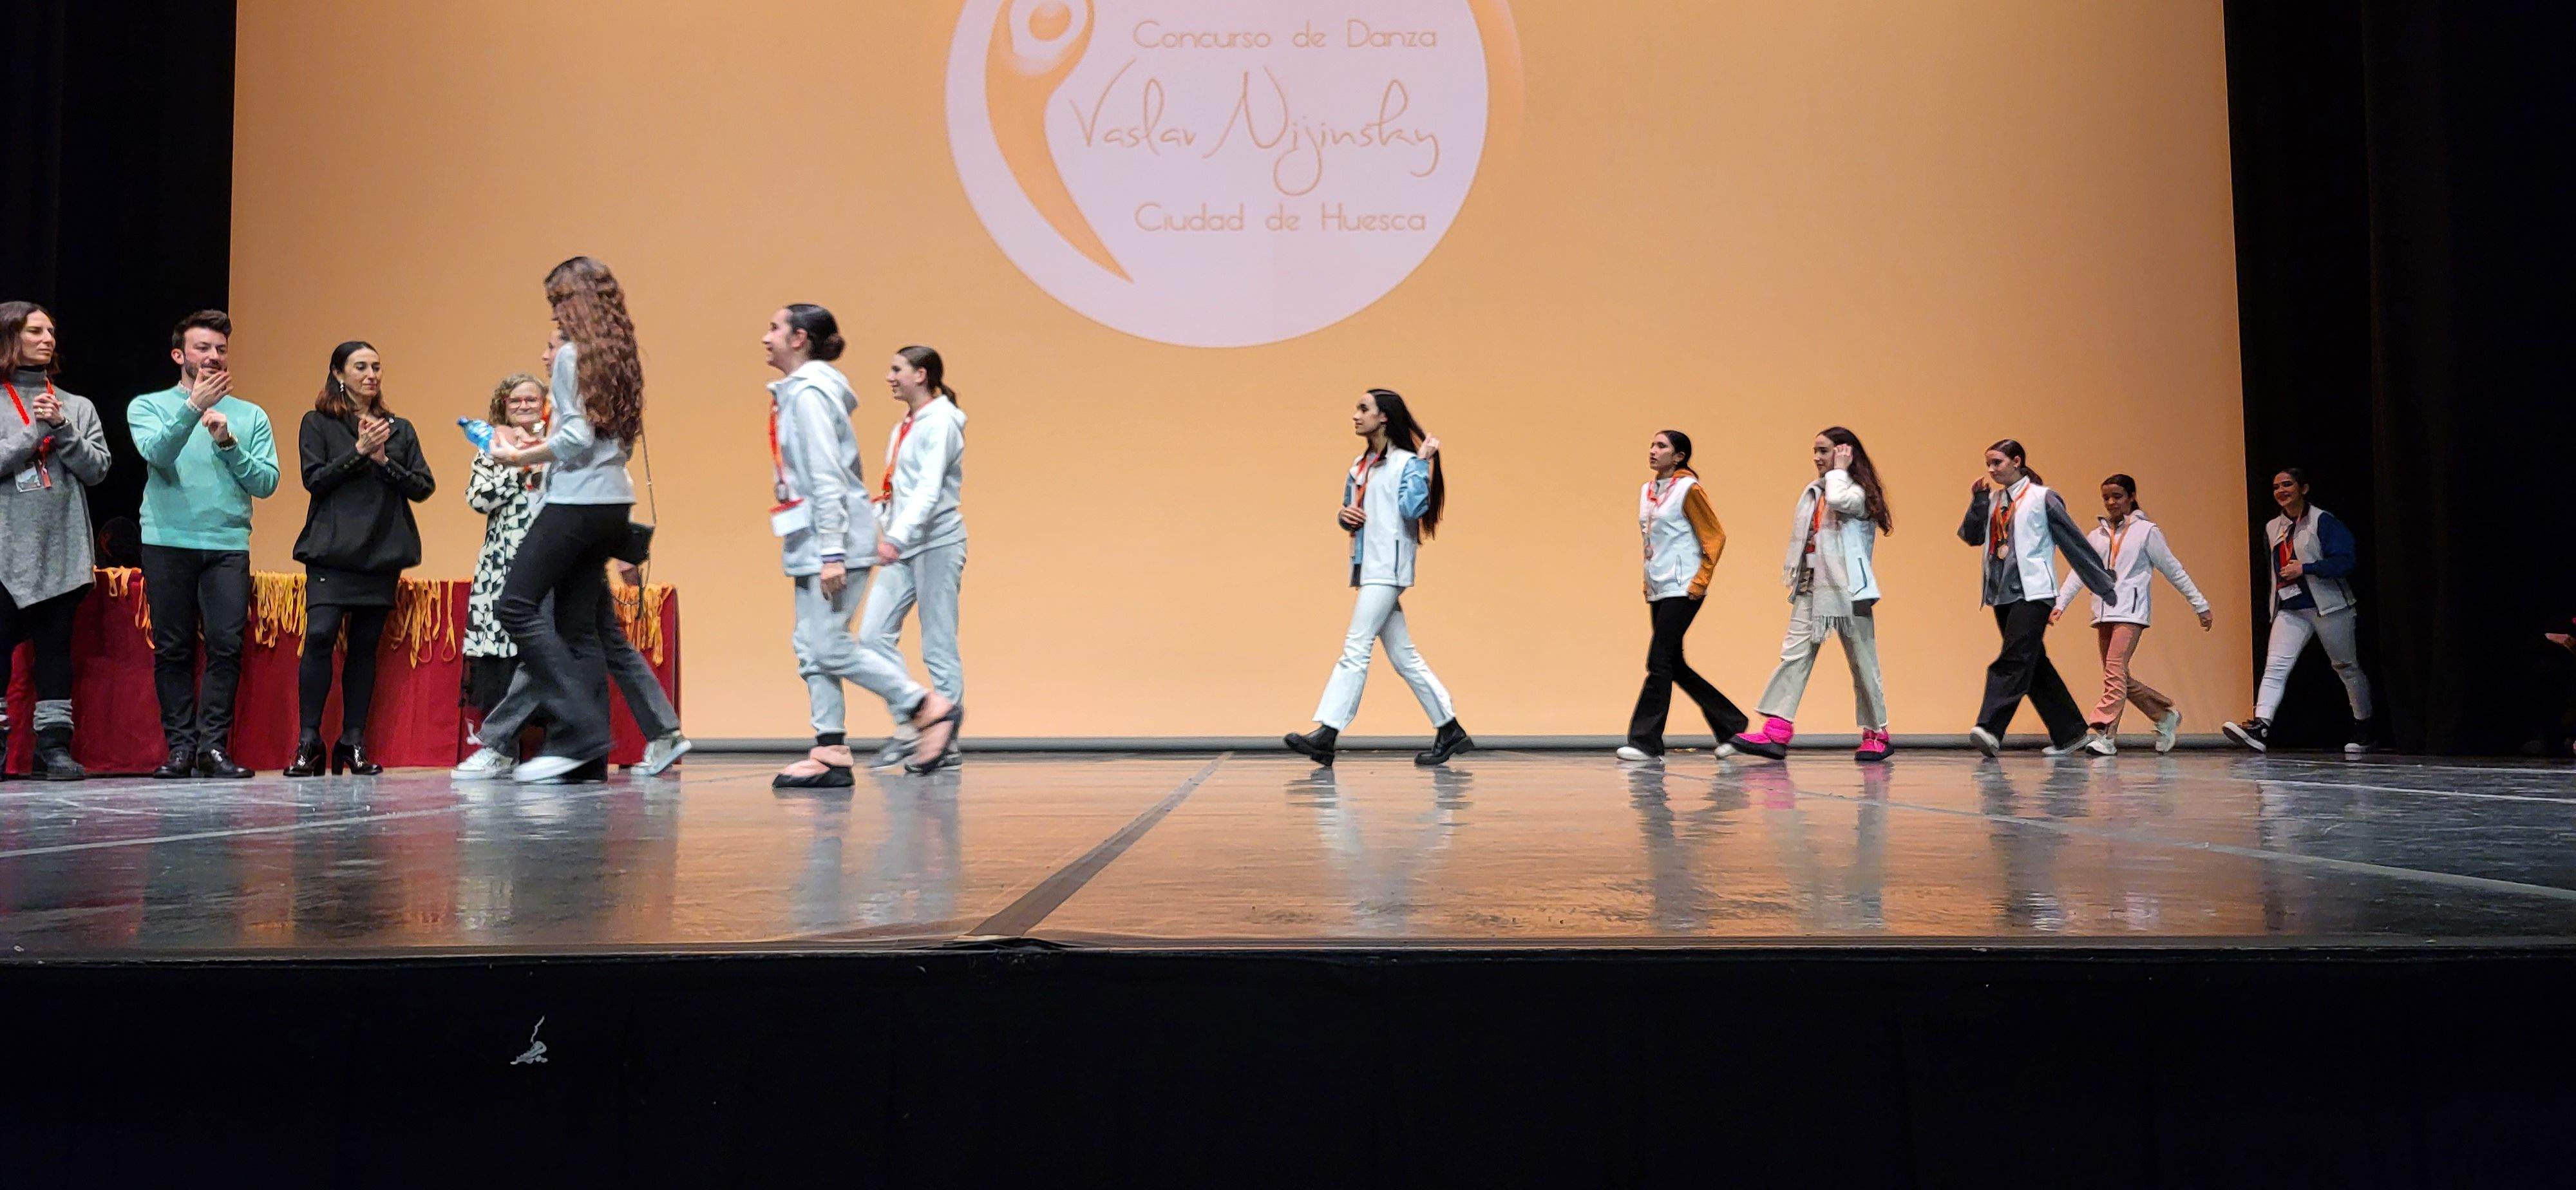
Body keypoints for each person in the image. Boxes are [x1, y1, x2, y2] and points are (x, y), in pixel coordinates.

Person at [455, 326, 687, 780]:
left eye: (552, 345)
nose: (547, 355)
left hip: (561, 540)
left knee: (533, 626)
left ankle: (507, 741)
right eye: (515, 400)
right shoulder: (589, 403)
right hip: (572, 533)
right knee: (602, 638)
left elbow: (589, 471)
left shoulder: (567, 415)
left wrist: (525, 458)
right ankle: (664, 731)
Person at [762, 308, 960, 787]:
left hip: (834, 540)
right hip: (812, 535)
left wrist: (832, 552)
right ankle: (830, 750)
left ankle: (927, 707)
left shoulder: (810, 394)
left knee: (829, 646)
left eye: (774, 329)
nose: (765, 338)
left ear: (799, 339)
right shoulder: (798, 392)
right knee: (810, 648)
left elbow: (829, 478)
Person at [483, 257, 644, 783]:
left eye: (559, 302)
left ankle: (580, 729)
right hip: (612, 502)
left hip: (578, 501)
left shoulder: (573, 356)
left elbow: (574, 438)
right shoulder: (617, 355)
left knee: (516, 605)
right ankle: (585, 756)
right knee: (579, 627)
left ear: (576, 303)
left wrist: (519, 457)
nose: (555, 313)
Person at [1283, 388, 1473, 768]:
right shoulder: (1359, 466)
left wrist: (1423, 463)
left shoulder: (1407, 463)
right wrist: (1344, 517)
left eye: (1363, 409)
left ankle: (1327, 733)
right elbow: (1353, 511)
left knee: (1355, 648)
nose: (1356, 415)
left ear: (1384, 417)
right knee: (1404, 656)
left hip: (1389, 567)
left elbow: (1413, 508)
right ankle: (1450, 729)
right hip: (1368, 566)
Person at [129, 310, 277, 779]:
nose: (213, 357)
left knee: (225, 646)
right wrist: (192, 409)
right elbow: (157, 453)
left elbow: (268, 483)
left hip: (226, 543)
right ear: (179, 355)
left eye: (220, 349)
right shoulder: (147, 406)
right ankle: (180, 748)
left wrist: (230, 443)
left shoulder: (250, 415)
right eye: (202, 348)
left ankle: (213, 748)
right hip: (167, 540)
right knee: (172, 648)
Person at [286, 341, 434, 777]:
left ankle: (353, 741)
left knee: (365, 649)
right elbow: (315, 479)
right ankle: (309, 741)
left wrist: (384, 459)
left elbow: (423, 486)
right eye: (360, 367)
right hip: (331, 551)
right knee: (320, 635)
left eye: (376, 367)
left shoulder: (399, 429)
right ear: (338, 374)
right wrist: (357, 452)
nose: (371, 374)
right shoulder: (318, 423)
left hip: (381, 552)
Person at [1730, 428, 1896, 762]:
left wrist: (1839, 470)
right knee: (1794, 656)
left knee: (1863, 662)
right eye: (1816, 452)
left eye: (1825, 451)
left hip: (1849, 591)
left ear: (1844, 453)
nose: (1817, 458)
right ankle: (1777, 730)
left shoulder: (1859, 493)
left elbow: (1840, 501)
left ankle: (1877, 732)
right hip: (1812, 586)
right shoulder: (1816, 492)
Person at [0, 301, 113, 780]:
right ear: (10, 338)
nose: (47, 339)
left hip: (62, 546)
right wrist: (34, 431)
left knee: (54, 650)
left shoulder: (77, 406)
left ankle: (54, 747)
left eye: (51, 331)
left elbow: (98, 469)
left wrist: (64, 428)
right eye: (35, 331)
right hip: (5, 548)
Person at [1956, 439, 2116, 756]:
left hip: (2035, 593)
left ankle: (1990, 727)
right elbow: (1972, 537)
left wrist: (2103, 584)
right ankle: (2070, 732)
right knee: (2034, 663)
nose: (1991, 469)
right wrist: (1977, 501)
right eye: (1988, 463)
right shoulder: (1993, 500)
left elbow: (2074, 543)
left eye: (1997, 463)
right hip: (2002, 594)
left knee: (2014, 659)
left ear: (2017, 461)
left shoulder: (2044, 498)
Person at [855, 345, 970, 774]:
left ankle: (947, 740)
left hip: (936, 543)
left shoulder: (941, 423)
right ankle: (913, 720)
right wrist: (879, 525)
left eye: (897, 369)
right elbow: (898, 490)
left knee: (939, 642)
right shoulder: (907, 423)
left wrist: (896, 537)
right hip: (903, 544)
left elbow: (927, 491)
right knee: (871, 636)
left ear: (921, 375)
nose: (889, 376)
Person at [2048, 474, 2212, 756]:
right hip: (2103, 611)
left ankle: (2105, 734)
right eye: (2107, 498)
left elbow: (2174, 570)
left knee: (2114, 672)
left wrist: (2200, 605)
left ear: (2132, 496)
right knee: (2117, 675)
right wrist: (2060, 604)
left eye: (2118, 496)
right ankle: (2163, 714)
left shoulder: (2147, 532)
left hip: (2131, 612)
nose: (2111, 502)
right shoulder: (2096, 535)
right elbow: (2081, 571)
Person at [2222, 468, 2380, 754]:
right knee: (2275, 667)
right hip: (2291, 607)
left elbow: (2345, 561)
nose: (2281, 491)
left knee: (2346, 667)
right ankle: (2261, 727)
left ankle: (2364, 727)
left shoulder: (2323, 522)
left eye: (2288, 485)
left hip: (2330, 607)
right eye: (2276, 487)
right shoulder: (2274, 527)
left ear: (2303, 488)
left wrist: (2306, 568)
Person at [1617, 430, 1747, 762]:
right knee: (1674, 665)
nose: (1653, 450)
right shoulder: (1647, 491)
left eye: (1661, 446)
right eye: (1652, 444)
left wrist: (1700, 580)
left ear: (1679, 457)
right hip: (1659, 587)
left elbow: (1715, 536)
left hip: (1685, 586)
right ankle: (1733, 726)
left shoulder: (1689, 490)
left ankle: (1646, 742)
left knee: (1658, 662)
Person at [461, 371, 549, 731]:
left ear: (545, 407)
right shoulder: (492, 448)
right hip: (501, 564)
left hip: (549, 559)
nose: (524, 405)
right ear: (504, 407)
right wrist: (518, 467)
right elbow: (478, 499)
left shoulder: (560, 444)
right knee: (501, 652)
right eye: (516, 400)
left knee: (546, 650)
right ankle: (500, 745)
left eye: (532, 399)